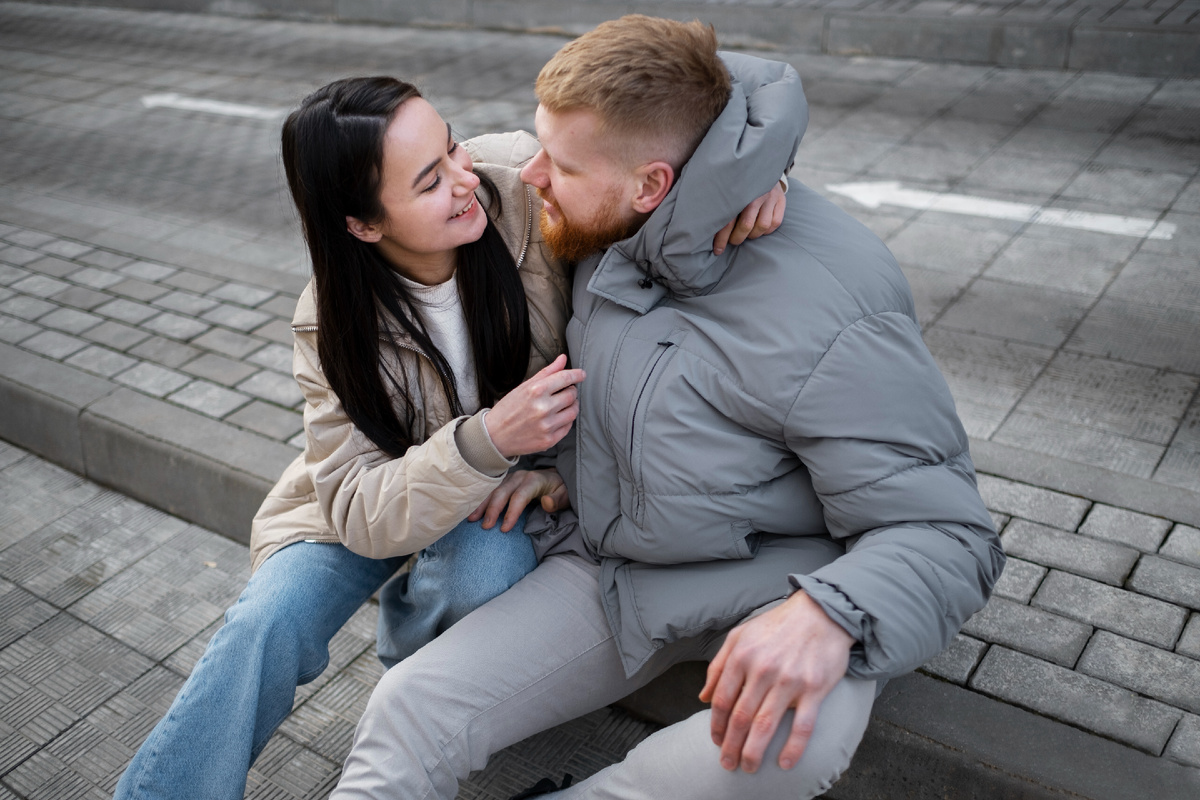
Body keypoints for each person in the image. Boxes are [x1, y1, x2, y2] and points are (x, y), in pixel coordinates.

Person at [330, 15, 1005, 800]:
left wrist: (832, 614)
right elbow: (700, 85)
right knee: (408, 707)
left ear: (653, 183)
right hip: (621, 574)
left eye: (562, 163)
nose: (528, 175)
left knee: (786, 744)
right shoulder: (609, 224)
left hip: (786, 583)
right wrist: (557, 464)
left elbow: (952, 532)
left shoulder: (833, 307)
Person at [113, 75, 785, 800]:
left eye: (453, 147)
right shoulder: (329, 319)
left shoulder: (526, 189)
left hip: (504, 493)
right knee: (265, 620)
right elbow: (357, 507)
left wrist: (752, 175)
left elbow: (677, 102)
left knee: (478, 577)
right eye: (431, 180)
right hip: (372, 495)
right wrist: (483, 439)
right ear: (364, 225)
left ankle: (411, 673)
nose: (467, 180)